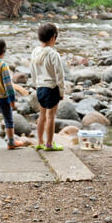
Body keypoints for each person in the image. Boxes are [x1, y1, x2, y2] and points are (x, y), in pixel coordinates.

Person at [31, 22, 66, 151]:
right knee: (51, 116)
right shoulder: (53, 54)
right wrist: (61, 90)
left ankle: (39, 141)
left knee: (42, 115)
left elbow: (32, 71)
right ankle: (49, 144)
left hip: (40, 87)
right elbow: (59, 75)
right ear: (53, 38)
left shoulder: (35, 52)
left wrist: (36, 85)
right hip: (51, 88)